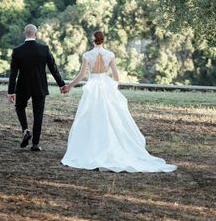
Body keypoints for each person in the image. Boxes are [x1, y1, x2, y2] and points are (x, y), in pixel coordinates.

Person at [61, 30, 176, 173]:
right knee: (110, 117)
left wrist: (69, 86)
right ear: (103, 40)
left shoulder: (87, 55)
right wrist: (111, 89)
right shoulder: (110, 55)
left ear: (93, 40)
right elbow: (116, 76)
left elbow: (83, 75)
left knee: (90, 116)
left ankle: (91, 146)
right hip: (105, 86)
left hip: (93, 87)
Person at [8, 24, 66, 151]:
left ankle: (25, 130)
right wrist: (61, 84)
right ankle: (35, 144)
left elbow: (13, 73)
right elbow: (53, 68)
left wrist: (11, 91)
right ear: (36, 34)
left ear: (25, 34)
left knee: (19, 107)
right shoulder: (44, 49)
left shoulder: (17, 51)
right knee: (38, 114)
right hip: (39, 86)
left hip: (23, 86)